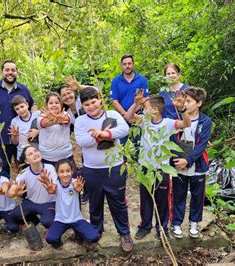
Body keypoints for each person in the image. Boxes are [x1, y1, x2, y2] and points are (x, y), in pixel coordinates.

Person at [124, 89, 191, 240]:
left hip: (162, 169)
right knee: (146, 198)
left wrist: (182, 109)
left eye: (145, 107)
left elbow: (186, 123)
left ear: (155, 110)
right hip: (145, 168)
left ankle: (162, 228)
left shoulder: (168, 123)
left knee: (163, 201)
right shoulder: (143, 121)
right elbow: (128, 117)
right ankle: (145, 225)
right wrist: (135, 105)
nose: (143, 109)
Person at [74, 87, 133, 252]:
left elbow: (124, 130)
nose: (91, 106)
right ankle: (96, 230)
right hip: (92, 169)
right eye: (87, 104)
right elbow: (81, 141)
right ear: (83, 106)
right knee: (95, 202)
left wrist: (104, 133)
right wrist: (100, 136)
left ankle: (124, 232)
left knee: (118, 201)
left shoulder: (112, 114)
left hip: (114, 167)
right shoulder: (80, 121)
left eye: (93, 102)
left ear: (100, 100)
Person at [169, 87, 212, 239]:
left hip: (198, 164)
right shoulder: (177, 119)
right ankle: (176, 223)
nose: (185, 104)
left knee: (197, 195)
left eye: (189, 101)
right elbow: (172, 140)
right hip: (179, 163)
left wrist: (188, 160)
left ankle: (194, 223)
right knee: (178, 194)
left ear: (199, 103)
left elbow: (202, 145)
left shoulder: (206, 121)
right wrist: (179, 160)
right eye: (184, 100)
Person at [38, 159, 99, 248]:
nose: (65, 174)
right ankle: (59, 241)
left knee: (93, 237)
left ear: (72, 171)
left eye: (68, 171)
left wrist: (78, 190)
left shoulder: (75, 182)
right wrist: (51, 191)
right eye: (62, 172)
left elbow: (77, 187)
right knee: (50, 239)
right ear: (57, 173)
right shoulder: (54, 184)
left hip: (77, 219)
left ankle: (79, 233)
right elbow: (53, 189)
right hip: (60, 220)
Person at [0, 60, 36, 178]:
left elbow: (33, 107)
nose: (10, 72)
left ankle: (24, 192)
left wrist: (36, 127)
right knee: (2, 168)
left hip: (22, 139)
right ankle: (5, 192)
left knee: (24, 166)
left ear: (17, 72)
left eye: (13, 70)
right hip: (0, 137)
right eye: (7, 70)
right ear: (2, 72)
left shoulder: (23, 89)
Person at [7, 145, 56, 229]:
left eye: (36, 151)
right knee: (13, 216)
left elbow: (54, 189)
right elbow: (11, 192)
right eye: (30, 154)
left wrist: (49, 186)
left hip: (48, 202)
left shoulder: (50, 168)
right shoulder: (24, 173)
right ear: (26, 161)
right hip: (31, 202)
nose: (35, 154)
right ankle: (33, 220)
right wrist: (14, 193)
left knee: (47, 222)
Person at [110, 54, 149, 144]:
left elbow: (144, 99)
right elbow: (114, 101)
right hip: (121, 117)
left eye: (129, 63)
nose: (127, 66)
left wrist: (132, 114)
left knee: (139, 144)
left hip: (138, 116)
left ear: (133, 64)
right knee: (120, 145)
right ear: (121, 65)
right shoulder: (116, 81)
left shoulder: (142, 80)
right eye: (124, 64)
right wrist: (126, 115)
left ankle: (137, 158)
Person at [37, 92, 73, 166]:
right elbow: (44, 123)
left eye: (56, 103)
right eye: (51, 103)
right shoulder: (41, 116)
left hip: (66, 156)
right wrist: (54, 120)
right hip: (47, 157)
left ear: (61, 105)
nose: (54, 105)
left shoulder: (66, 114)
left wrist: (58, 119)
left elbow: (65, 120)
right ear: (46, 105)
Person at [8, 95, 40, 168]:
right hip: (23, 154)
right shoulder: (14, 121)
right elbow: (15, 142)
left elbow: (45, 129)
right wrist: (15, 135)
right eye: (17, 109)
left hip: (37, 151)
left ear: (27, 105)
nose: (21, 110)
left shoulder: (37, 115)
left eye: (22, 106)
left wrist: (38, 131)